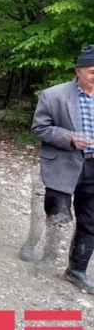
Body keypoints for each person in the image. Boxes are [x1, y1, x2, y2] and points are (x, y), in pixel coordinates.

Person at [32, 44, 94, 293]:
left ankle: (76, 270)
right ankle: (43, 254)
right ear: (78, 71)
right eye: (92, 71)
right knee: (57, 216)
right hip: (64, 166)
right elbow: (39, 128)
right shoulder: (54, 95)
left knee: (90, 222)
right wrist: (69, 138)